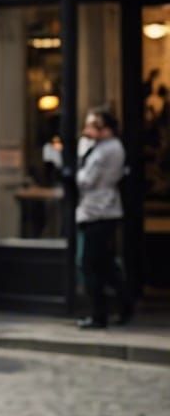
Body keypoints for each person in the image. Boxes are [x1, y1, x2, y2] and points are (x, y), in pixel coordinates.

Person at [74, 106, 130, 329]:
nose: (87, 130)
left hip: (99, 211)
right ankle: (124, 304)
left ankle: (99, 314)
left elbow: (86, 180)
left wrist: (80, 160)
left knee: (90, 265)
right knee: (105, 264)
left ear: (105, 129)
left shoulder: (107, 149)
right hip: (100, 210)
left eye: (92, 126)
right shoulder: (104, 147)